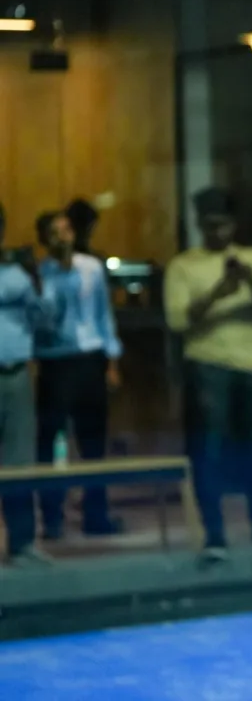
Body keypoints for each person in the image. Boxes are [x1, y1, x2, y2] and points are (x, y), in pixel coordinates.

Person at [164, 188, 252, 558]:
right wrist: (219, 291)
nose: (218, 232)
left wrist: (251, 281)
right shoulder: (183, 265)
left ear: (234, 225)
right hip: (207, 365)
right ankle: (215, 534)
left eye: (224, 225)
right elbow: (177, 320)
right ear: (200, 224)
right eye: (211, 225)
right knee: (210, 451)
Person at [33, 211, 124, 538]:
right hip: (56, 361)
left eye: (66, 229)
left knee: (93, 442)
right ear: (45, 240)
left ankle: (96, 515)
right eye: (54, 232)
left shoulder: (92, 267)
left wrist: (112, 362)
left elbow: (103, 315)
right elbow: (43, 322)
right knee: (51, 443)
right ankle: (52, 518)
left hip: (90, 358)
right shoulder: (41, 273)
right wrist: (53, 279)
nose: (62, 237)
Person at [0, 203, 55, 565]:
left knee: (19, 462)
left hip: (15, 375)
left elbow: (44, 321)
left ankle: (22, 544)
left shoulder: (17, 275)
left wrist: (36, 282)